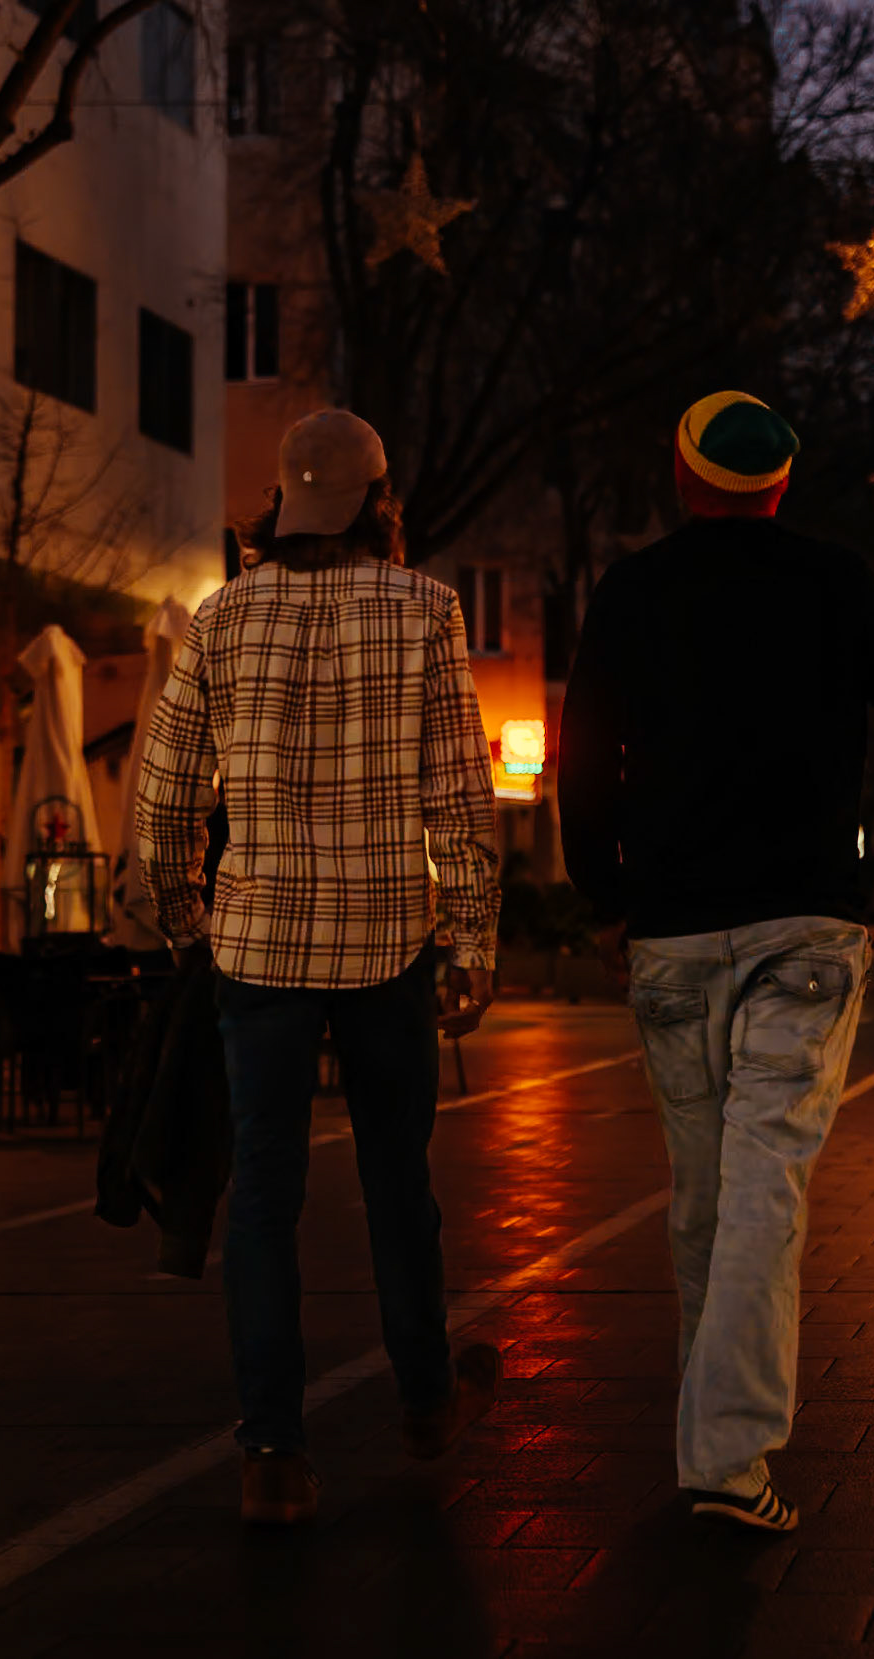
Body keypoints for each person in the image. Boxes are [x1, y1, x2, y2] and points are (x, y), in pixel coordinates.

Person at [557, 390, 874, 1533]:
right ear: (780, 489)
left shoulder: (632, 591)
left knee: (705, 1196)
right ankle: (726, 1462)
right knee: (762, 1190)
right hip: (804, 933)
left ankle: (712, 1439)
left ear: (683, 483)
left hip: (674, 933)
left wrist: (604, 896)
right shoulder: (835, 581)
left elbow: (586, 749)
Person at [136, 409, 503, 1526]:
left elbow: (164, 793)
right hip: (389, 940)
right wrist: (476, 936)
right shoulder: (428, 611)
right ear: (378, 506)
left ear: (279, 510)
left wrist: (182, 914)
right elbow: (458, 791)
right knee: (400, 1182)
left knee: (264, 1197)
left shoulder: (223, 616)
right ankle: (429, 1398)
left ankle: (273, 1455)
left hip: (256, 949)